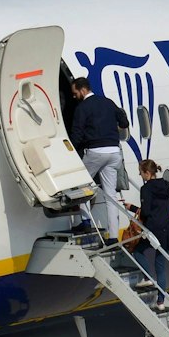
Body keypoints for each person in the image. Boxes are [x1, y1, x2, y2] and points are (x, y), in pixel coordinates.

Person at [69, 75, 128, 236]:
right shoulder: (108, 102)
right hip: (114, 152)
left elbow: (77, 134)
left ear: (82, 90)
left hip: (96, 152)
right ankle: (114, 237)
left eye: (75, 93)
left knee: (82, 185)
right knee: (111, 196)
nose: (74, 97)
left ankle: (86, 222)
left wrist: (71, 153)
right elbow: (124, 123)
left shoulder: (82, 108)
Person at [131, 159, 169, 305]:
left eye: (140, 173)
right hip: (166, 228)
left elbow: (146, 211)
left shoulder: (146, 189)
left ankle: (147, 278)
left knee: (138, 251)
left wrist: (134, 209)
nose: (140, 175)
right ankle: (161, 301)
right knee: (160, 265)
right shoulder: (167, 185)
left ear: (147, 173)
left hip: (153, 229)